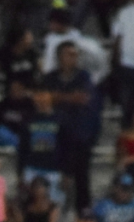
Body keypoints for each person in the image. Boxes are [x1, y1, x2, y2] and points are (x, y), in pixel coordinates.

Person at [43, 41, 99, 212]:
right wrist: (68, 97)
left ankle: (84, 212)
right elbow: (44, 97)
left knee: (82, 176)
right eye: (70, 54)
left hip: (79, 133)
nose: (74, 58)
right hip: (55, 133)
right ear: (60, 57)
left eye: (76, 55)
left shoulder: (83, 76)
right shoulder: (50, 77)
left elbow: (83, 98)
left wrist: (57, 97)